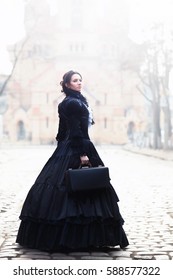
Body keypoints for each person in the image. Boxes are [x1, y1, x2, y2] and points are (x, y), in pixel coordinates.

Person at [16, 70, 129, 252]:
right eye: (75, 81)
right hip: (79, 146)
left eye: (80, 80)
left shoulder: (70, 102)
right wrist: (82, 153)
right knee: (86, 185)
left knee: (78, 185)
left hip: (70, 146)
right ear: (67, 84)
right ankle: (82, 237)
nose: (79, 83)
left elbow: (62, 130)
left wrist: (61, 148)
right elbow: (76, 131)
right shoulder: (75, 103)